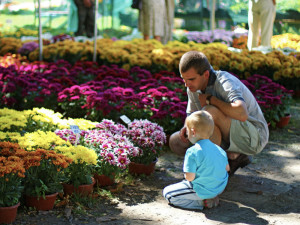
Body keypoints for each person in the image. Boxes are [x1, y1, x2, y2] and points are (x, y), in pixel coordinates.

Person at [169, 51, 269, 176]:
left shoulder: (225, 81)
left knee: (209, 113)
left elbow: (242, 114)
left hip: (255, 137)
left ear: (206, 74)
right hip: (232, 133)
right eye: (184, 79)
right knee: (175, 141)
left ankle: (212, 175)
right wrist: (186, 127)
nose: (186, 84)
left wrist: (210, 99)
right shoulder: (193, 86)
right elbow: (192, 115)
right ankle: (232, 157)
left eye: (191, 79)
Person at [163, 110, 229, 210]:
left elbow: (189, 178)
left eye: (187, 131)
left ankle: (202, 203)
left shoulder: (192, 151)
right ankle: (211, 196)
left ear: (193, 132)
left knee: (168, 193)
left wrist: (187, 174)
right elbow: (227, 169)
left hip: (202, 189)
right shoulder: (220, 150)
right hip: (219, 188)